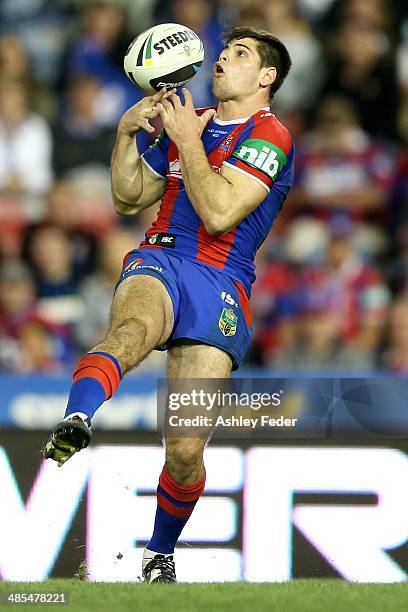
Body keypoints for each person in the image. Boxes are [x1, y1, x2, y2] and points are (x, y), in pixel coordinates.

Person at [42, 26, 294, 583]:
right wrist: (124, 136)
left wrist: (184, 142)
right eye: (225, 51)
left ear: (267, 77)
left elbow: (222, 212)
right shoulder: (194, 119)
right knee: (132, 330)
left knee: (183, 446)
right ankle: (77, 417)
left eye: (241, 54)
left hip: (224, 280)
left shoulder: (270, 135)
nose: (223, 58)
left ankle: (159, 555)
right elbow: (127, 197)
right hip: (161, 256)